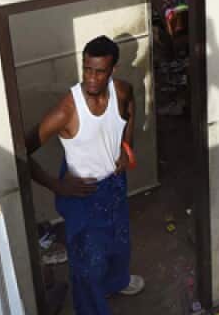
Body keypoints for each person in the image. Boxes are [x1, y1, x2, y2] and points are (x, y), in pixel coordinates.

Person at [27, 36, 144, 314]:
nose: (91, 78)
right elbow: (22, 151)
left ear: (113, 70)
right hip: (84, 193)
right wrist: (57, 185)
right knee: (87, 267)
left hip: (114, 185)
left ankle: (115, 282)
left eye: (99, 71)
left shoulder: (122, 91)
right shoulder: (67, 110)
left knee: (119, 244)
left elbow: (130, 110)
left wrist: (127, 148)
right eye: (86, 69)